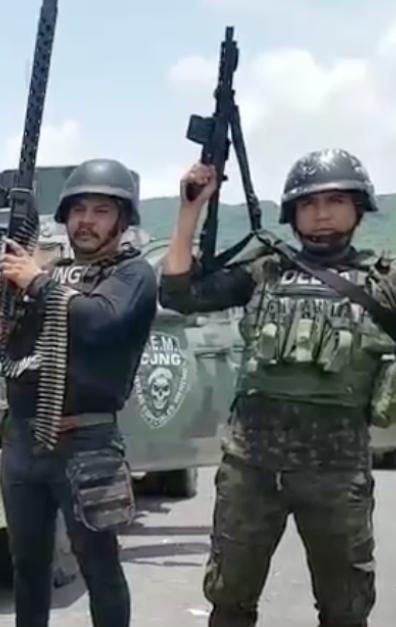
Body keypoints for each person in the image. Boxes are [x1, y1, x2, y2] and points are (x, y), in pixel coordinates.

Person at [160, 149, 396, 627]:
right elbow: (178, 294)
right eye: (309, 203)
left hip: (337, 472)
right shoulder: (265, 269)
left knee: (346, 610)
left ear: (358, 208)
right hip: (251, 467)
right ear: (292, 214)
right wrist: (190, 210)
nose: (322, 213)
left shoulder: (383, 282)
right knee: (230, 602)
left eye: (335, 201)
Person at [0, 159, 157, 627]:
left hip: (87, 443)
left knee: (99, 566)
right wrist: (7, 307)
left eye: (101, 211)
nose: (87, 221)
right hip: (23, 440)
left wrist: (36, 282)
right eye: (79, 210)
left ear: (122, 219)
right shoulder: (52, 271)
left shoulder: (133, 274)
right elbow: (17, 347)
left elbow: (100, 321)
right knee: (27, 566)